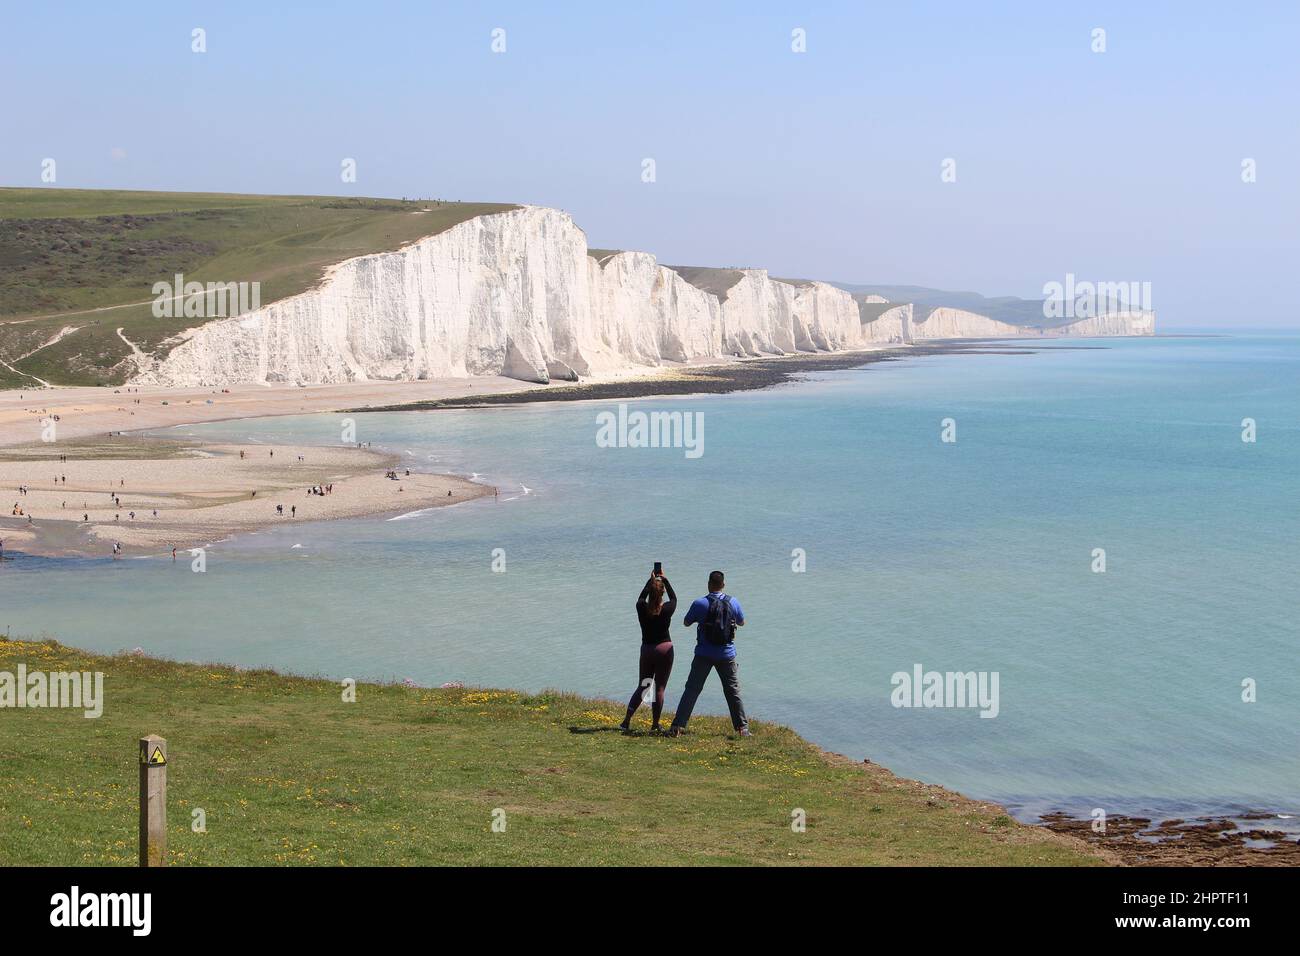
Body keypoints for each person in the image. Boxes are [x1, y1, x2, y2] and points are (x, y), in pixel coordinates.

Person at [668, 570, 750, 737]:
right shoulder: (733, 602)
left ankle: (677, 727)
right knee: (732, 691)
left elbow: (686, 622)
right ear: (723, 585)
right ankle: (742, 729)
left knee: (692, 689)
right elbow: (742, 622)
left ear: (708, 584)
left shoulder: (700, 603)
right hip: (727, 654)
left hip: (703, 653)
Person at [620, 570, 677, 732]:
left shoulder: (641, 608)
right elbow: (674, 599)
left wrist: (650, 582)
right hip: (664, 649)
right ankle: (655, 724)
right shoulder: (667, 609)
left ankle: (626, 721)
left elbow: (640, 598)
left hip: (647, 650)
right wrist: (665, 580)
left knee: (644, 686)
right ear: (662, 593)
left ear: (650, 593)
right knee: (659, 688)